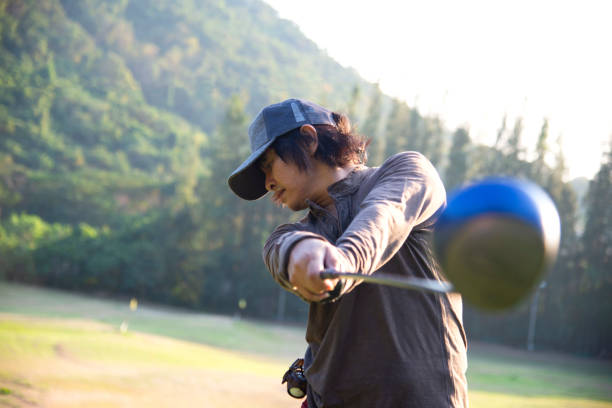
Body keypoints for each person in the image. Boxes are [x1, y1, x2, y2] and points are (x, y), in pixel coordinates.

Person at [228, 98, 468, 407]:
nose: (267, 183)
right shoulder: (290, 234)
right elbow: (282, 249)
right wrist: (300, 251)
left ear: (309, 140)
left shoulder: (407, 171)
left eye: (269, 164)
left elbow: (383, 216)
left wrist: (343, 261)